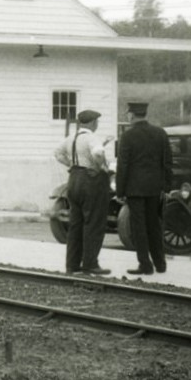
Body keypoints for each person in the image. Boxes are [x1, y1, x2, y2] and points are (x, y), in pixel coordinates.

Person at [115, 102, 173, 275]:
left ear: (132, 115)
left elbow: (123, 165)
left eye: (128, 114)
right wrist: (167, 186)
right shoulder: (160, 133)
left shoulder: (127, 136)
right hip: (155, 188)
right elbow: (168, 161)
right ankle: (160, 263)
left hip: (135, 189)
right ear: (145, 114)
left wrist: (120, 191)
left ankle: (145, 265)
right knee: (154, 225)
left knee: (138, 227)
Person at [57, 109, 112, 275]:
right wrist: (100, 167)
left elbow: (57, 154)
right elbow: (98, 152)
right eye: (97, 122)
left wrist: (71, 165)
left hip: (74, 179)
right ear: (93, 122)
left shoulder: (71, 138)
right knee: (93, 223)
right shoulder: (91, 137)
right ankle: (90, 263)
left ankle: (72, 265)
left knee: (76, 224)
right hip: (90, 181)